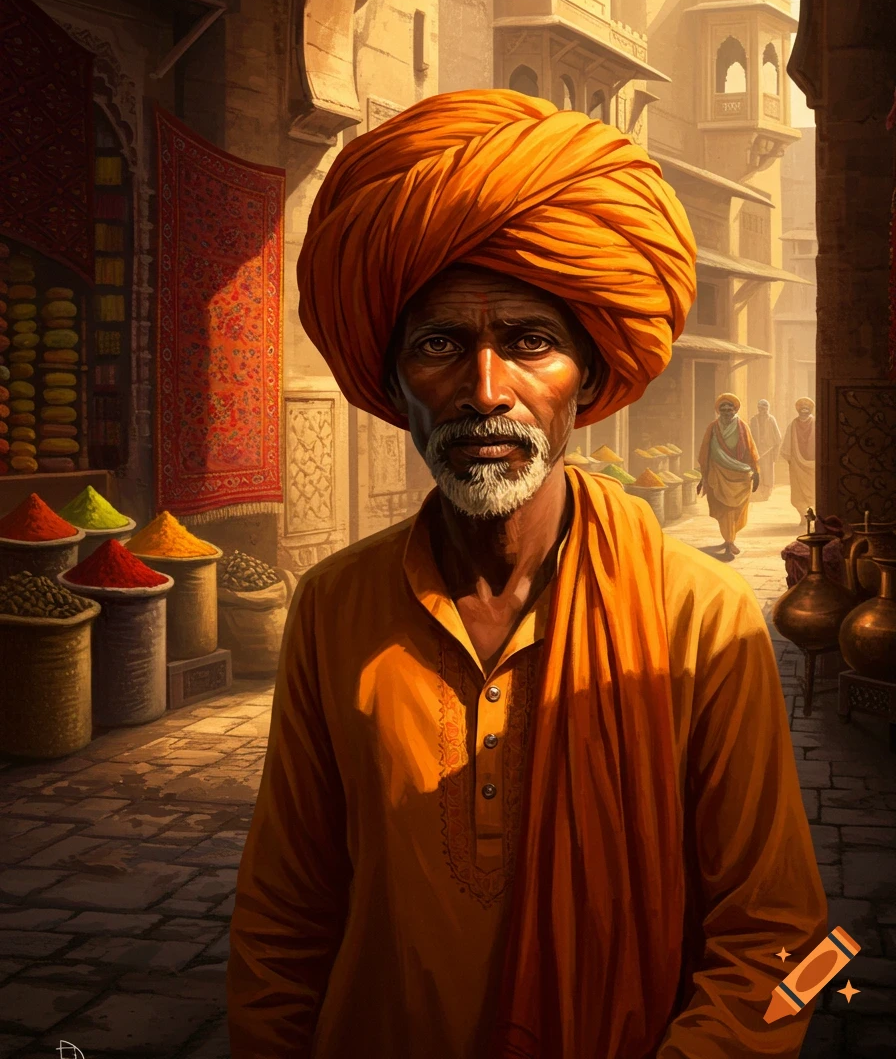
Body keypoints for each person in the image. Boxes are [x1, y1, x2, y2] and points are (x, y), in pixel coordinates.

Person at [227, 91, 825, 1059]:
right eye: (437, 345)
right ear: (390, 382)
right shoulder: (335, 606)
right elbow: (283, 918)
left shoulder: (700, 619)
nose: (484, 389)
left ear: (588, 377)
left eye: (529, 341)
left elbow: (789, 945)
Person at [697, 393, 761, 560]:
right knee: (724, 509)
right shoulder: (712, 427)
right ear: (719, 411)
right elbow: (705, 452)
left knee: (736, 509)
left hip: (740, 475)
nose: (726, 412)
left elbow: (751, 450)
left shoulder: (743, 427)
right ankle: (729, 540)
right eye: (722, 409)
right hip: (717, 474)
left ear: (735, 410)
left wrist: (756, 472)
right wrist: (702, 476)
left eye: (729, 409)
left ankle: (730, 539)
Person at [782, 396, 817, 525]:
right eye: (801, 409)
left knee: (814, 490)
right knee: (798, 493)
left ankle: (814, 518)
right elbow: (786, 445)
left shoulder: (816, 423)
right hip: (797, 464)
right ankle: (803, 517)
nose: (804, 411)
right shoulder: (793, 424)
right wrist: (790, 459)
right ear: (798, 410)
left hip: (814, 466)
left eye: (806, 409)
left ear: (810, 410)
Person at [749, 398, 782, 501]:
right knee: (757, 471)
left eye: (764, 408)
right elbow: (750, 435)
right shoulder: (754, 420)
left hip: (768, 452)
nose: (762, 411)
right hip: (756, 451)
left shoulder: (771, 419)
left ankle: (766, 493)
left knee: (767, 472)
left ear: (767, 409)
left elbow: (778, 437)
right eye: (760, 408)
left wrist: (773, 449)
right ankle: (758, 492)